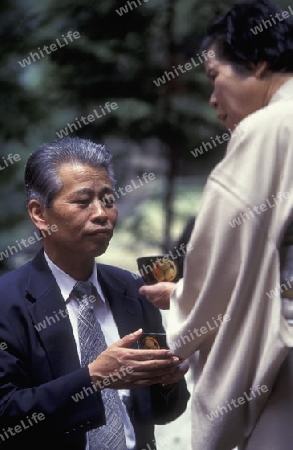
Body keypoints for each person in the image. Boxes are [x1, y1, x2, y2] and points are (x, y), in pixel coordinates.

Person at [139, 0, 293, 448]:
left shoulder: (270, 127)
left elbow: (219, 259)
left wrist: (180, 299)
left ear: (258, 63)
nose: (212, 98)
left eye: (214, 76)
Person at [0, 136, 190, 450]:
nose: (101, 213)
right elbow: (7, 412)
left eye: (108, 200)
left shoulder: (133, 289)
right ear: (39, 214)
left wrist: (168, 380)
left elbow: (164, 411)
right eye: (83, 201)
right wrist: (93, 379)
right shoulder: (8, 301)